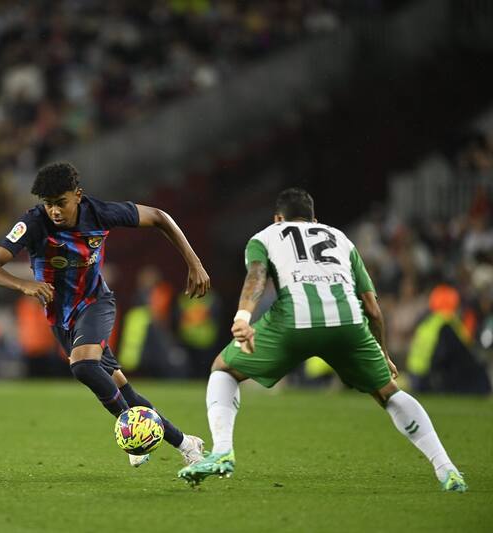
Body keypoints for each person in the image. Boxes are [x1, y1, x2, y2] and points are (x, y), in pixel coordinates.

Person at [178, 188, 467, 492]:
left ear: (278, 218)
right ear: (314, 220)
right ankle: (446, 469)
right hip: (348, 322)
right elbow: (372, 307)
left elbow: (257, 276)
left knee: (224, 369)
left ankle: (223, 451)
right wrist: (382, 352)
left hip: (293, 319)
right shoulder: (341, 239)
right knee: (389, 393)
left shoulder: (266, 236)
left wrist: (242, 317)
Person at [0, 161, 210, 467]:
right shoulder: (33, 223)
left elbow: (159, 216)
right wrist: (23, 284)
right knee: (121, 387)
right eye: (48, 204)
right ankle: (186, 444)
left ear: (78, 195)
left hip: (95, 302)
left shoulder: (100, 213)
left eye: (61, 203)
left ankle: (132, 430)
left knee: (83, 366)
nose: (54, 211)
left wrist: (194, 263)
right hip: (61, 318)